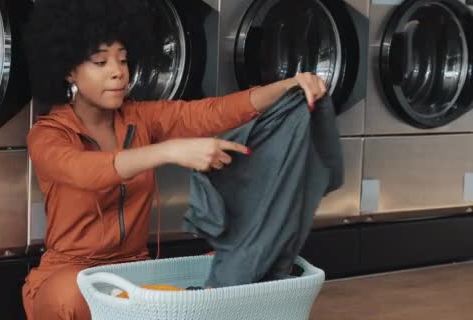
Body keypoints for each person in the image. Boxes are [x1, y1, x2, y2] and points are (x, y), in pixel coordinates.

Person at [22, 0, 327, 319]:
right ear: (69, 70)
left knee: (231, 264)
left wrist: (287, 85)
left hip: (135, 273)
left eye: (123, 60)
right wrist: (170, 151)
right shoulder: (47, 134)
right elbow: (85, 172)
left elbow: (212, 113)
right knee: (76, 295)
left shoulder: (140, 117)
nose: (117, 72)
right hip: (69, 275)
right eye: (100, 62)